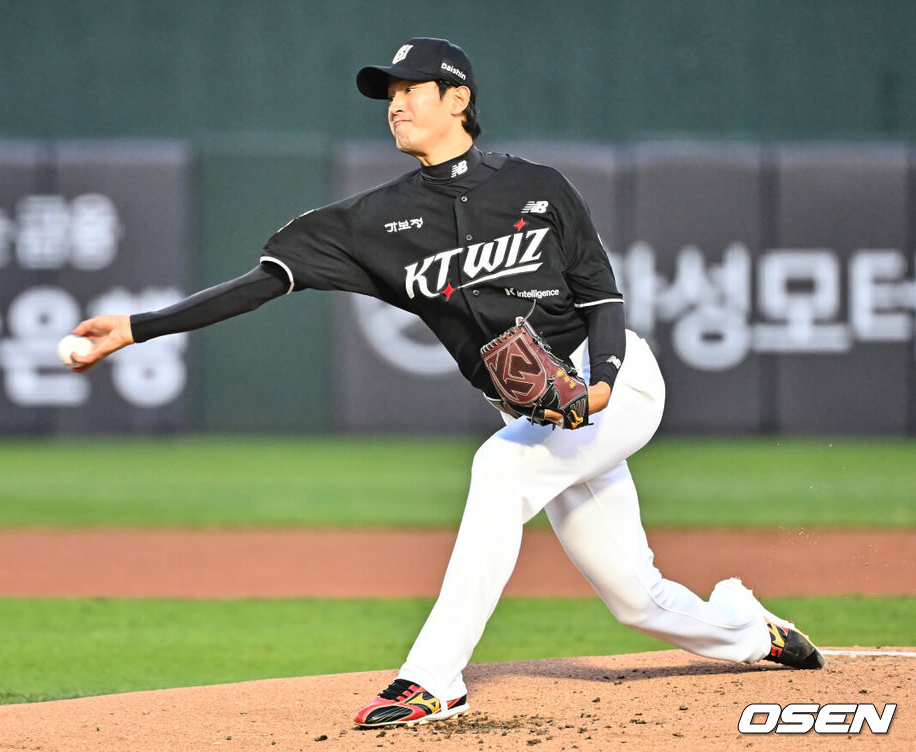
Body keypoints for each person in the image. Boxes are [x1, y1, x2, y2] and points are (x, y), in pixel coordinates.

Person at [68, 37, 824, 730]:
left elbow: (600, 295)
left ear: (458, 99)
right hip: (543, 415)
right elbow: (266, 282)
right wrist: (140, 326)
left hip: (613, 378)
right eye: (387, 93)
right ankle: (749, 629)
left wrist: (605, 383)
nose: (395, 103)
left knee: (499, 466)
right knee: (635, 597)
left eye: (411, 88)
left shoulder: (537, 186)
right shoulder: (375, 221)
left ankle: (433, 678)